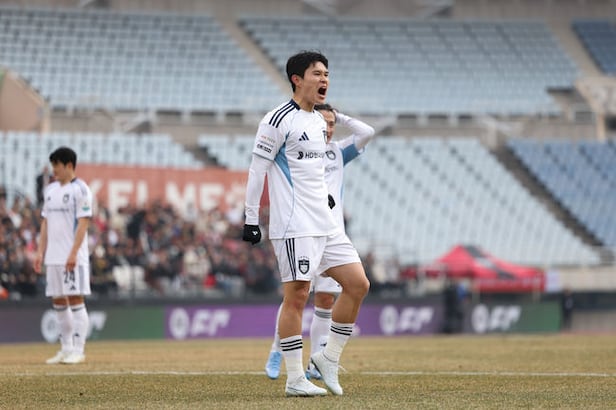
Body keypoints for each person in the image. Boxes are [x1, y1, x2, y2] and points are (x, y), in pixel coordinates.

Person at [242, 50, 370, 397]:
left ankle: (328, 358)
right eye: (317, 73)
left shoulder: (317, 122)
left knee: (358, 284)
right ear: (297, 79)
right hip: (294, 225)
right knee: (297, 296)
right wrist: (251, 218)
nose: (324, 79)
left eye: (326, 74)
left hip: (326, 223)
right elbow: (257, 170)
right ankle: (295, 378)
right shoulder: (277, 120)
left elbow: (313, 174)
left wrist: (325, 200)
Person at [264, 103, 375, 381]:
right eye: (324, 122)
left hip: (332, 234)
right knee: (296, 294)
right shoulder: (298, 150)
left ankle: (318, 361)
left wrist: (339, 115)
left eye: (332, 124)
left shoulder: (338, 152)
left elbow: (367, 132)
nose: (328, 128)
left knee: (326, 298)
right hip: (304, 231)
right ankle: (277, 350)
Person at [34, 147, 93, 365]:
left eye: (57, 165)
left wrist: (74, 253)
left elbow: (83, 223)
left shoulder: (81, 190)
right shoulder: (50, 190)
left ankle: (79, 350)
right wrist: (40, 251)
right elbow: (45, 223)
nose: (54, 170)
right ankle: (66, 348)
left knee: (76, 300)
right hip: (53, 256)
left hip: (72, 257)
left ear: (69, 165)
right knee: (58, 301)